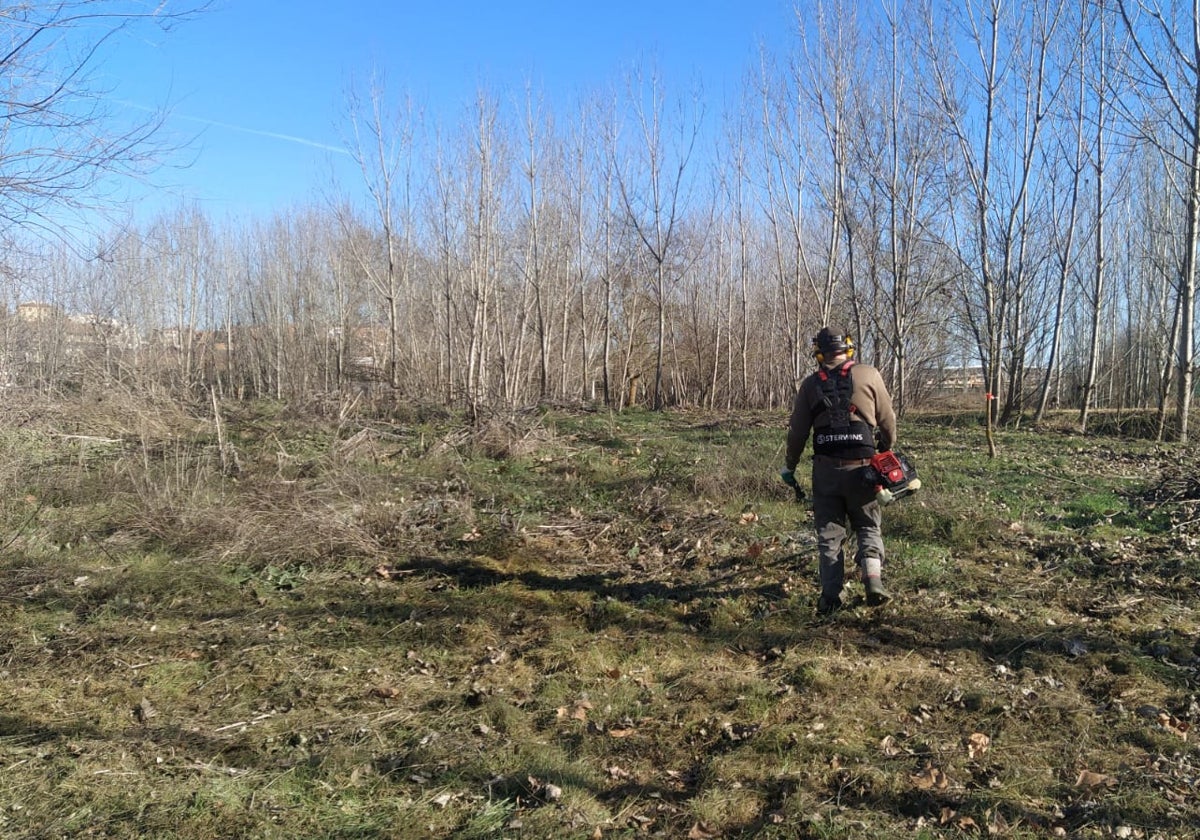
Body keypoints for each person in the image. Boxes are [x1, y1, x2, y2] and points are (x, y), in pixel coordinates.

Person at [780, 327, 898, 613]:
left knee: (829, 536)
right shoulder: (869, 374)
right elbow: (888, 419)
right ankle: (872, 579)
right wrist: (886, 448)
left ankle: (831, 598)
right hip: (864, 470)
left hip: (826, 470)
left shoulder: (810, 385)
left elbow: (797, 432)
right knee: (868, 525)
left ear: (819, 353)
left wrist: (790, 465)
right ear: (848, 348)